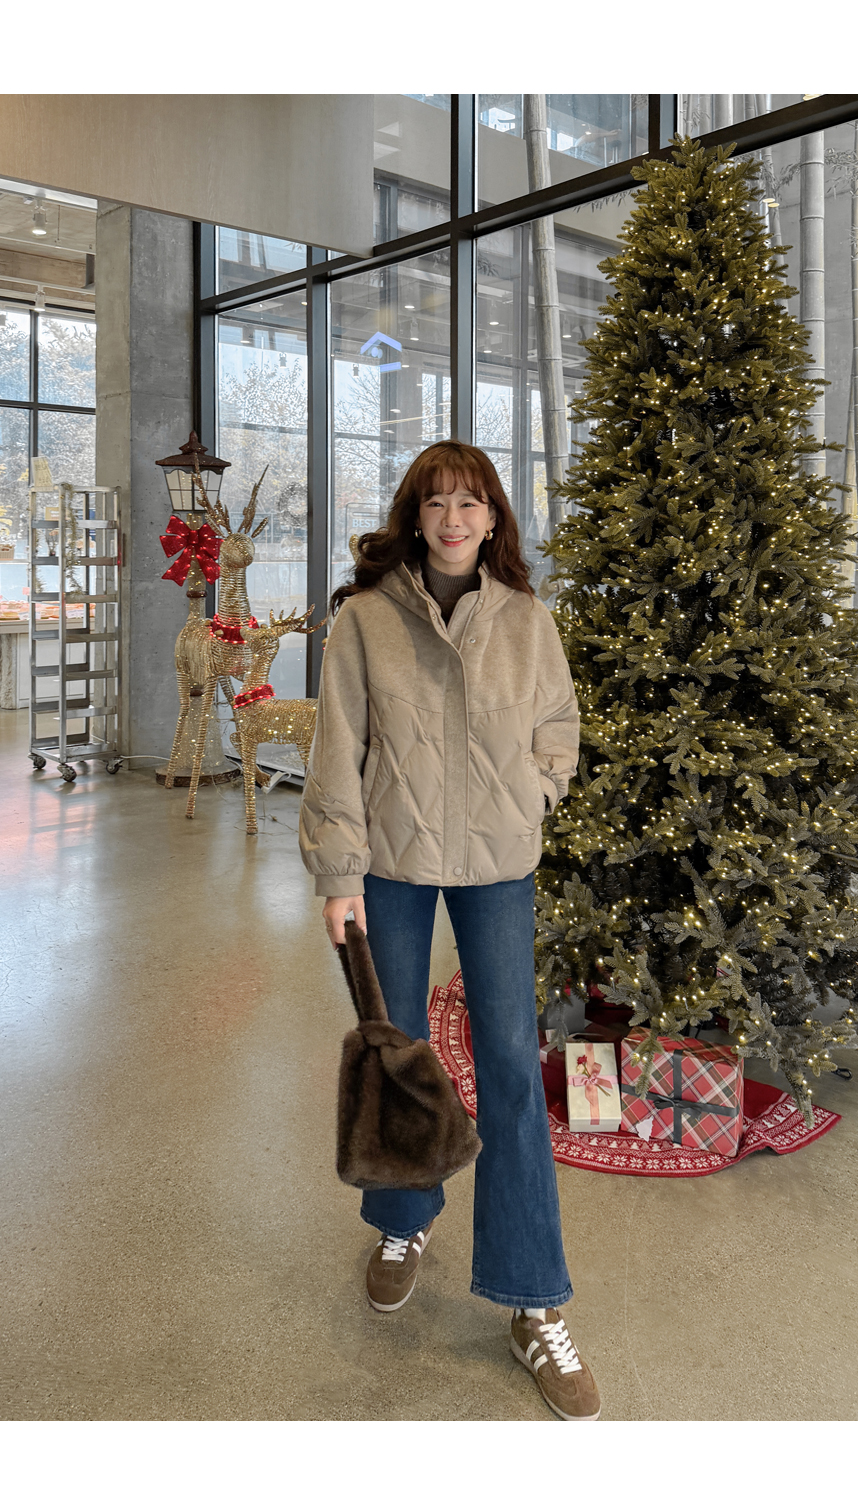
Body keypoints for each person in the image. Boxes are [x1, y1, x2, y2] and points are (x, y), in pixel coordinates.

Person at [299, 439, 600, 1421]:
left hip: (499, 865)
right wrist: (337, 874)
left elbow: (558, 727)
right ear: (415, 516)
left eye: (471, 501)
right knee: (398, 1051)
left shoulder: (527, 620)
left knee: (509, 1062)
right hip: (390, 862)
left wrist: (532, 794)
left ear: (493, 516)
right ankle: (404, 1217)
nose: (454, 518)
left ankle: (533, 1298)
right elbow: (337, 749)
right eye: (436, 502)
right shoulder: (364, 619)